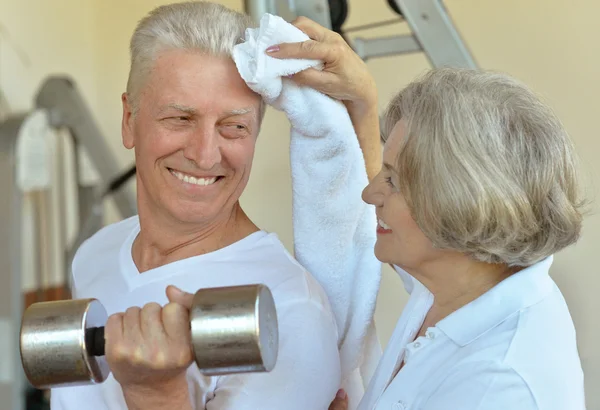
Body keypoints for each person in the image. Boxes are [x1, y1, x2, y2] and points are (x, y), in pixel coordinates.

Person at [264, 18, 587, 410]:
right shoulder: (458, 280)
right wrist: (363, 103)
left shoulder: (497, 386)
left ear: (459, 205)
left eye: (393, 182)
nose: (370, 193)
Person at [49, 4, 342, 410]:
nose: (206, 156)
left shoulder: (287, 311)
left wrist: (156, 394)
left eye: (234, 127)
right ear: (129, 119)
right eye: (180, 118)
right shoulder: (95, 253)